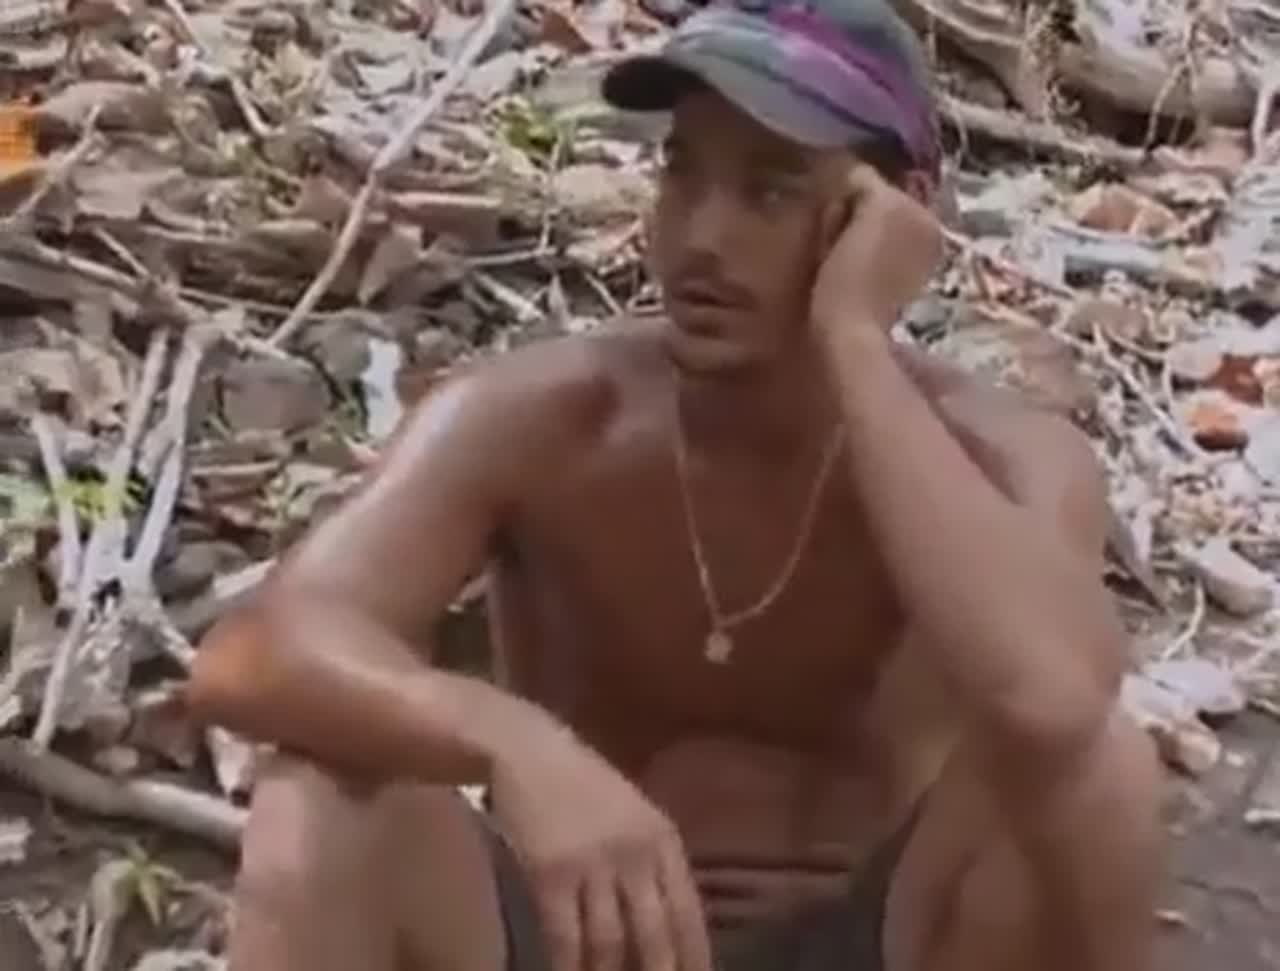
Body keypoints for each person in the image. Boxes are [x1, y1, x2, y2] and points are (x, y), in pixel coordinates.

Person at [183, 0, 1165, 969]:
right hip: (588, 939)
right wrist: (511, 741)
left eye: (770, 191)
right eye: (681, 173)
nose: (701, 237)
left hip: (873, 940)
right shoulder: (543, 418)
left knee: (1100, 775)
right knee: (317, 800)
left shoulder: (1000, 453)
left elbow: (1055, 702)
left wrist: (855, 341)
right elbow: (253, 651)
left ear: (897, 215)